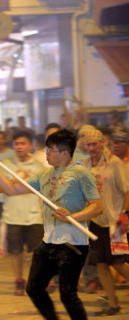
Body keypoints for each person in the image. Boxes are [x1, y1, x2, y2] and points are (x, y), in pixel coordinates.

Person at [0, 129, 102, 320]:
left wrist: (74, 216)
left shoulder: (81, 173)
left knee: (67, 295)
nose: (46, 153)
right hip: (49, 242)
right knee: (34, 288)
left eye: (50, 149)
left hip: (73, 245)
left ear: (64, 152)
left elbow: (97, 207)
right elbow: (11, 189)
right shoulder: (44, 175)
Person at [80, 128, 129, 316]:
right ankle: (114, 304)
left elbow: (126, 191)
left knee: (117, 263)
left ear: (102, 143)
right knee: (101, 263)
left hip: (115, 221)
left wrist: (125, 214)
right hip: (96, 222)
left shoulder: (114, 163)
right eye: (89, 144)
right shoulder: (85, 165)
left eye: (95, 144)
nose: (92, 147)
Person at [0, 131, 46, 296]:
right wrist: (15, 181)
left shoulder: (38, 166)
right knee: (16, 252)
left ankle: (37, 281)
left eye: (23, 143)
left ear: (30, 145)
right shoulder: (6, 164)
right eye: (16, 144)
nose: (19, 147)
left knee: (36, 253)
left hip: (34, 216)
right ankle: (19, 280)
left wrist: (14, 186)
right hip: (12, 215)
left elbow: (38, 187)